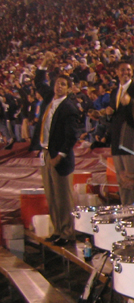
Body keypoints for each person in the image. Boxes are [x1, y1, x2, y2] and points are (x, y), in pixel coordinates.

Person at [30, 75, 81, 245]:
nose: (59, 87)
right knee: (51, 195)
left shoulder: (69, 107)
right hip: (45, 152)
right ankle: (57, 229)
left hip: (59, 157)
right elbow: (38, 82)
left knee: (63, 197)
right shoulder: (49, 102)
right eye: (58, 83)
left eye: (63, 84)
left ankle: (67, 232)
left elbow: (72, 135)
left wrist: (61, 154)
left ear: (68, 88)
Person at [106, 60, 134, 204]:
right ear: (116, 72)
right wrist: (108, 113)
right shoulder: (114, 92)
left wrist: (130, 104)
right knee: (122, 182)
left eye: (128, 70)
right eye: (122, 70)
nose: (126, 73)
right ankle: (126, 212)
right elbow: (116, 117)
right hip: (117, 142)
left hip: (133, 143)